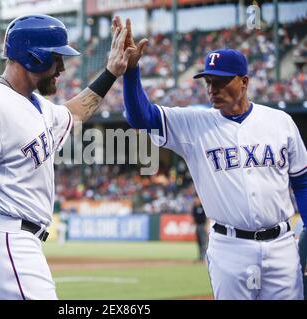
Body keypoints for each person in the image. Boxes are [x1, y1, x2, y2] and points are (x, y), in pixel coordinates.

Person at [0, 14, 133, 299]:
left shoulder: (37, 106)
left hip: (3, 243)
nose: (61, 68)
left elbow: (75, 113)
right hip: (6, 243)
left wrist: (112, 72)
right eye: (56, 58)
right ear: (33, 57)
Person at [116, 16, 307, 299]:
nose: (211, 89)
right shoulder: (194, 122)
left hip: (281, 245)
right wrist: (131, 71)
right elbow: (139, 117)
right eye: (208, 81)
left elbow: (302, 182)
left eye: (220, 81)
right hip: (230, 248)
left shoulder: (280, 121)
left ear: (244, 82)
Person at [191, 195, 207, 263]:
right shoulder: (194, 207)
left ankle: (204, 257)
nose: (195, 200)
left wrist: (206, 226)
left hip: (203, 225)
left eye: (196, 199)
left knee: (203, 242)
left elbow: (207, 217)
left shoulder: (202, 206)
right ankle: (200, 257)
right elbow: (193, 217)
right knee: (199, 242)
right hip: (197, 226)